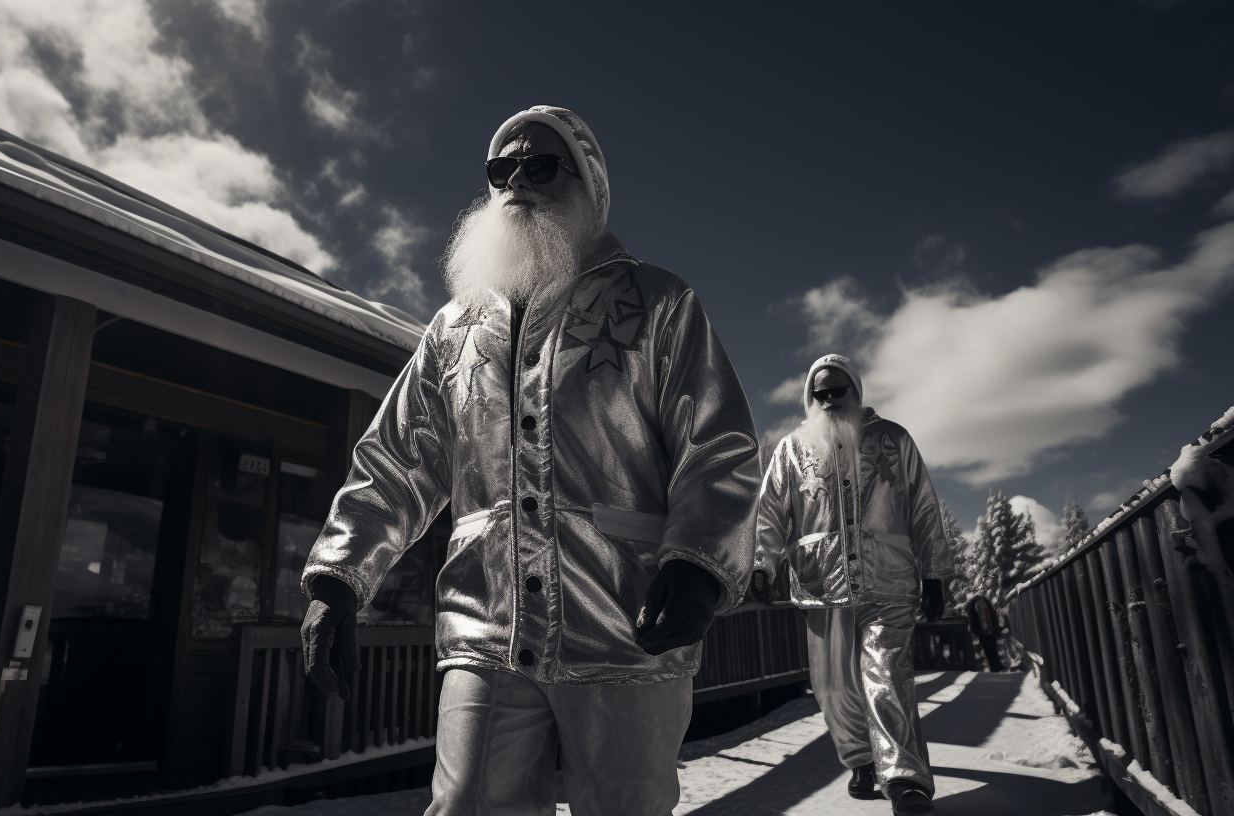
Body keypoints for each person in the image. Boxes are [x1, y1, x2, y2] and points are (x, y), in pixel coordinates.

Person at [299, 105, 761, 816]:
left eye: (539, 165)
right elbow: (396, 459)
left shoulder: (658, 303)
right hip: (485, 626)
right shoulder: (452, 333)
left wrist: (699, 563)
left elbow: (718, 447)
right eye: (500, 169)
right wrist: (339, 578)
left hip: (622, 624)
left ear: (590, 184)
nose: (516, 179)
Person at [751, 354, 951, 816]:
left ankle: (906, 782)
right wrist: (762, 565)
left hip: (890, 580)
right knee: (834, 686)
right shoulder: (792, 450)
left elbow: (923, 506)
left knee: (886, 676)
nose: (828, 400)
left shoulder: (893, 440)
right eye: (819, 394)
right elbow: (770, 514)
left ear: (856, 392)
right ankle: (861, 758)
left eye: (837, 390)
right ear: (809, 398)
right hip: (821, 584)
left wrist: (936, 571)